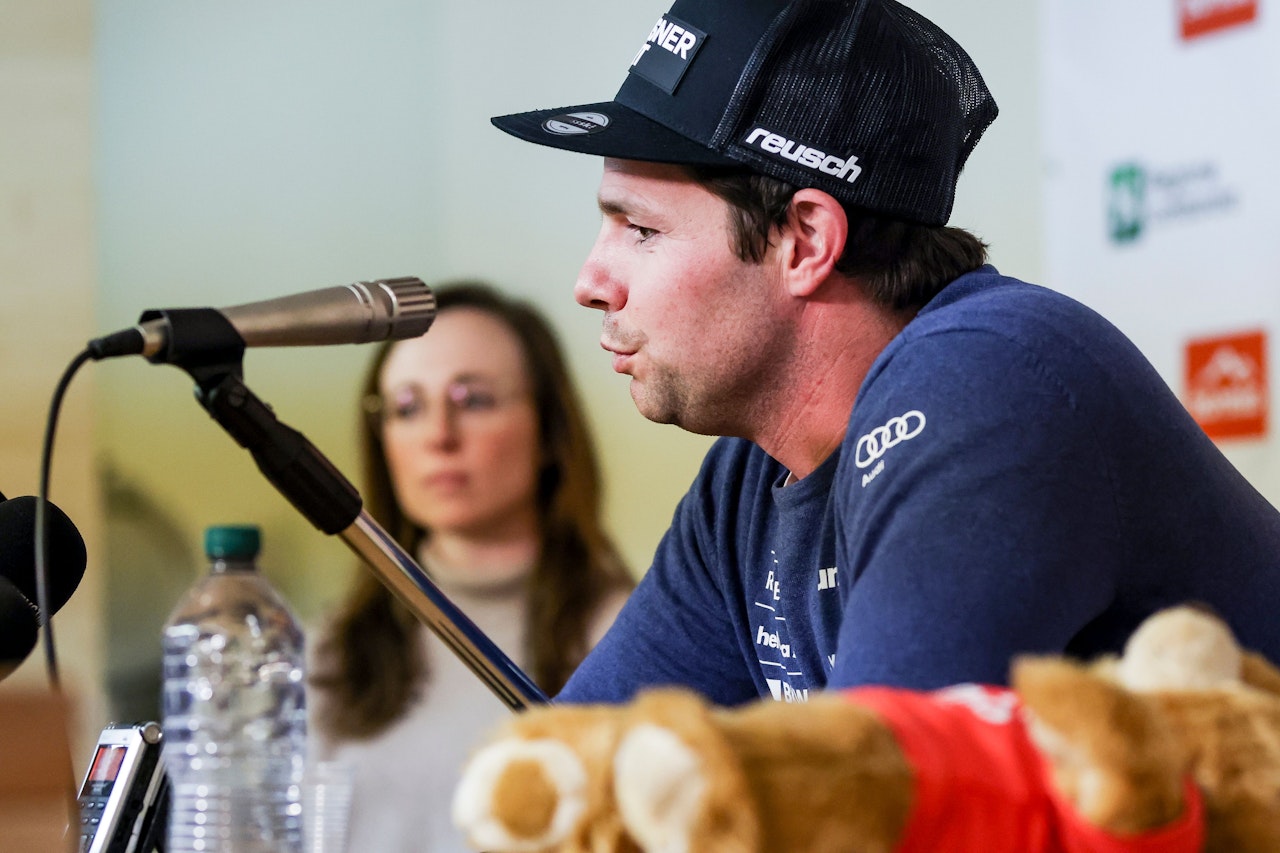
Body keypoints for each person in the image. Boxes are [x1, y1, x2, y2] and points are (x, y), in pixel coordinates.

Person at [488, 0, 1280, 707]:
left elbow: (877, 808)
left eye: (642, 230)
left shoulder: (990, 384)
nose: (591, 282)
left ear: (805, 240)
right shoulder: (748, 478)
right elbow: (581, 781)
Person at [308, 282, 634, 852]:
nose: (439, 436)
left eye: (473, 400)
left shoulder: (633, 637)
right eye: (407, 408)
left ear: (550, 431)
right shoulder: (326, 652)